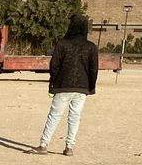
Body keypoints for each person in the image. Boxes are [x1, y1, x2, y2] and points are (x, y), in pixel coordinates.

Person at [31, 12, 99, 156]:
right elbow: (94, 69)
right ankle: (69, 147)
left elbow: (54, 66)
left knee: (54, 115)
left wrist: (53, 84)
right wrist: (91, 86)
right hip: (82, 87)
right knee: (75, 117)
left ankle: (43, 145)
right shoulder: (91, 47)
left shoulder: (62, 44)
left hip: (63, 85)